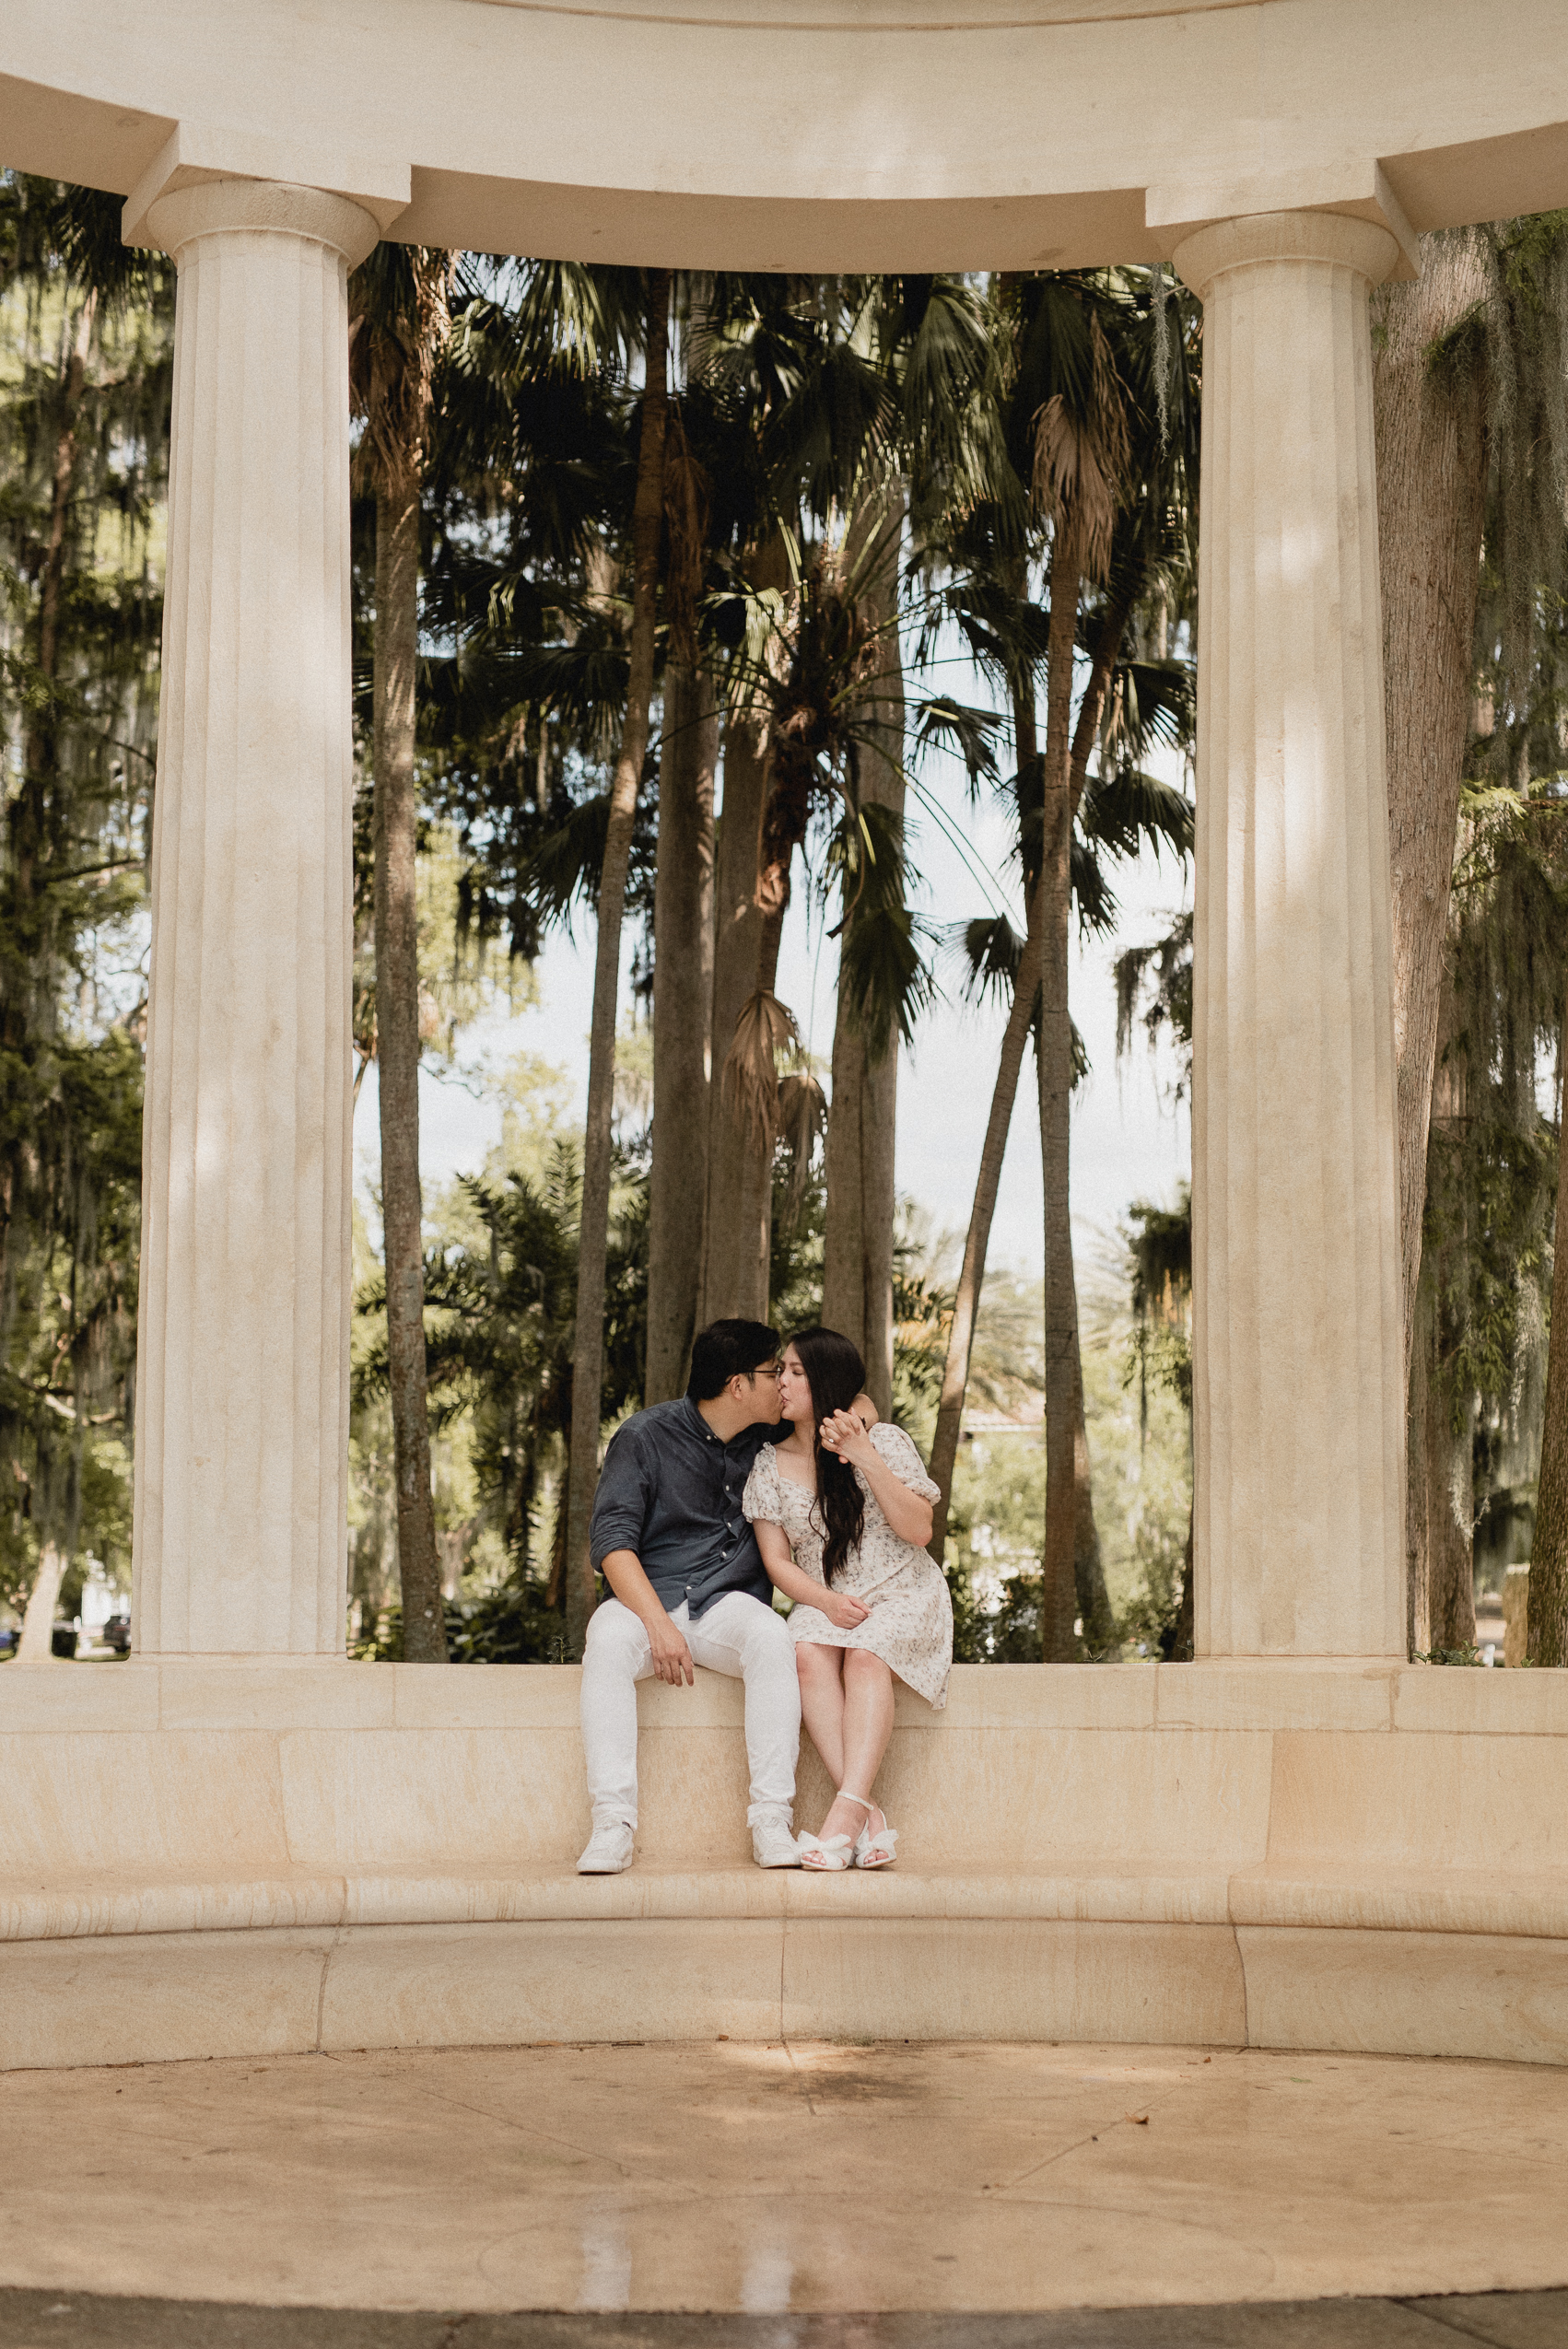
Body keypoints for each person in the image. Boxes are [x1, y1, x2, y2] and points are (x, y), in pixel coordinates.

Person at [577, 1317, 875, 1876]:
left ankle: (770, 1820)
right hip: (649, 1599)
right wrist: (658, 1626)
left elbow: (853, 1396)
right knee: (607, 1641)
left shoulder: (767, 1438)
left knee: (770, 1635)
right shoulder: (644, 1436)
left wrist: (862, 1416)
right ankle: (611, 1823)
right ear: (739, 1385)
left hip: (725, 1603)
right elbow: (612, 1545)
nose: (783, 1385)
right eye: (773, 1373)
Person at [743, 1326, 953, 1871]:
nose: (782, 1382)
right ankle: (868, 1817)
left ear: (825, 1381)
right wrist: (828, 1603)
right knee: (806, 1653)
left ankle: (842, 1820)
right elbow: (777, 1562)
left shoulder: (882, 1441)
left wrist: (863, 1454)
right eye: (780, 1371)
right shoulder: (766, 1463)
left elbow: (920, 1530)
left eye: (795, 1372)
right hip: (825, 1595)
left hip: (902, 1588)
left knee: (865, 1656)